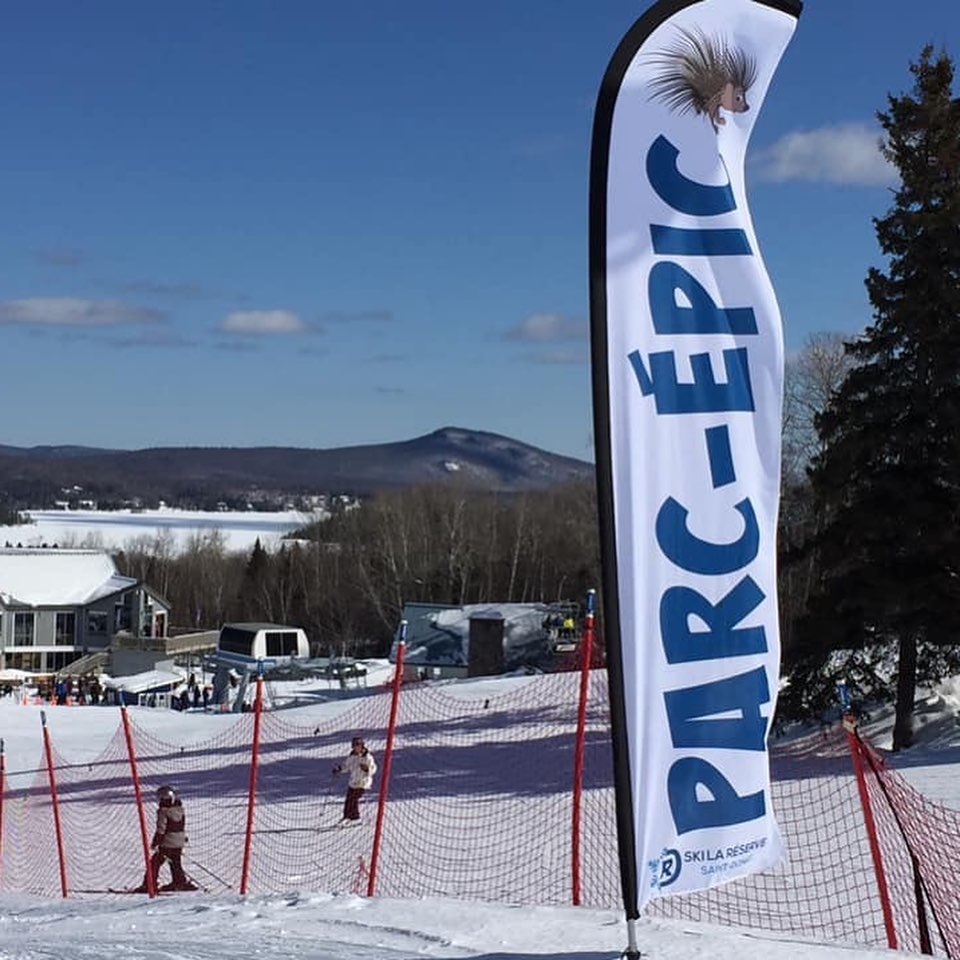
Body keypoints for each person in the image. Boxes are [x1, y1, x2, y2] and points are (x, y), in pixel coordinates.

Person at [134, 785, 197, 892]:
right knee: (175, 862)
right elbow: (180, 825)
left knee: (155, 862)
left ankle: (149, 884)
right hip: (179, 841)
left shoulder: (163, 811)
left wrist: (156, 842)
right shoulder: (180, 810)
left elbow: (161, 829)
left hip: (167, 842)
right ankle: (179, 882)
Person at [332, 736, 377, 823]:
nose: (356, 748)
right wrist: (339, 769)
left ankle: (355, 818)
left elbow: (374, 768)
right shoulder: (352, 756)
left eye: (358, 746)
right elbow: (346, 766)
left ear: (362, 746)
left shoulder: (367, 757)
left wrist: (367, 769)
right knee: (348, 799)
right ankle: (346, 817)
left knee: (354, 799)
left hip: (363, 783)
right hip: (353, 782)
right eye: (354, 746)